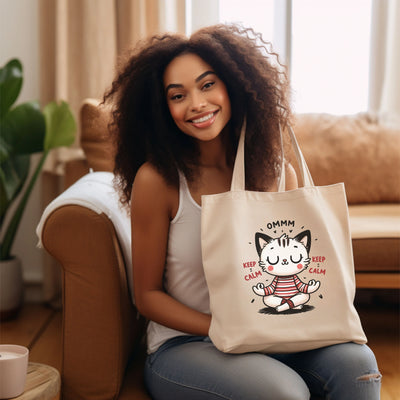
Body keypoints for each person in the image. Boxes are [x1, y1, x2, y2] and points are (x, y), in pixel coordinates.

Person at [104, 24, 381, 400]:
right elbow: (147, 295)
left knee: (357, 366)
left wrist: (268, 326)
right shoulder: (158, 181)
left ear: (235, 85)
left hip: (278, 333)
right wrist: (225, 326)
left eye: (207, 85)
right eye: (177, 95)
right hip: (189, 345)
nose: (197, 104)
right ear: (162, 108)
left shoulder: (277, 171)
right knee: (284, 393)